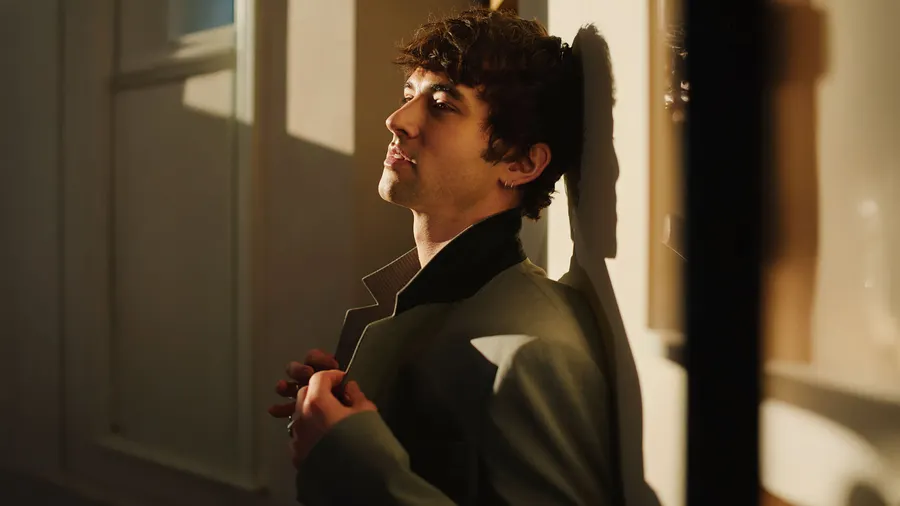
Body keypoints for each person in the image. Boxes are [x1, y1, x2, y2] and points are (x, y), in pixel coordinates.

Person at [268, 8, 623, 505]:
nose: (397, 121)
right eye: (408, 95)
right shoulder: (428, 307)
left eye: (441, 104)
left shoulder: (534, 349)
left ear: (521, 162)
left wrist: (351, 458)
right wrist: (334, 418)